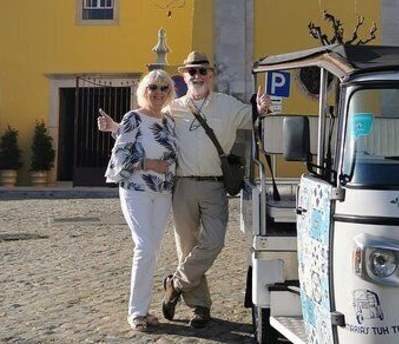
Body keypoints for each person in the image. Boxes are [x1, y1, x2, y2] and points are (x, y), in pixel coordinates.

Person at [98, 51, 271, 329]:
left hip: (215, 185)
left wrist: (261, 109)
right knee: (187, 246)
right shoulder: (172, 109)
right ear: (185, 77)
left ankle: (175, 283)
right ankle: (199, 306)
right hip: (181, 186)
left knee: (214, 242)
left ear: (211, 75)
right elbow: (142, 123)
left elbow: (252, 118)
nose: (197, 76)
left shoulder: (228, 105)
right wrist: (116, 128)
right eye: (192, 72)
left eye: (202, 71)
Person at [102, 69, 178, 333]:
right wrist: (148, 163)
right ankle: (135, 312)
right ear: (143, 90)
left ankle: (144, 309)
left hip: (163, 192)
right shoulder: (133, 117)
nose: (158, 93)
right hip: (136, 190)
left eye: (164, 88)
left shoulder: (168, 122)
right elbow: (119, 159)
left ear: (170, 93)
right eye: (153, 87)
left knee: (152, 249)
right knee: (144, 246)